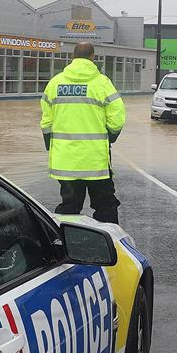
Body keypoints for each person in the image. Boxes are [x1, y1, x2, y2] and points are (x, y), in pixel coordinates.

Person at [40, 42, 126, 223]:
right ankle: (110, 245)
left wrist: (50, 143)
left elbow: (46, 122)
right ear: (92, 57)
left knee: (69, 208)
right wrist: (110, 136)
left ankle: (65, 245)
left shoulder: (55, 83)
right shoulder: (102, 83)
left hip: (66, 161)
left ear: (72, 58)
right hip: (96, 161)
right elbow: (117, 116)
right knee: (105, 207)